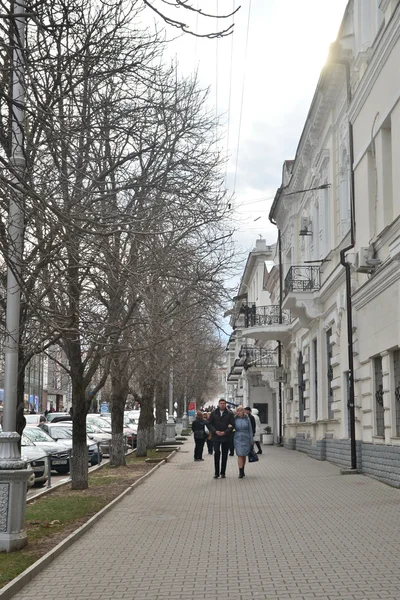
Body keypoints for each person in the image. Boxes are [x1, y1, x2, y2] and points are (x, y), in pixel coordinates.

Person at [207, 398, 235, 479]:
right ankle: (216, 473)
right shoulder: (213, 413)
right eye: (221, 403)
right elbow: (209, 424)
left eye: (223, 403)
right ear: (219, 404)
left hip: (226, 437)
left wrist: (225, 432)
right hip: (216, 437)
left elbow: (232, 425)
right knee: (217, 453)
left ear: (225, 404)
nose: (222, 405)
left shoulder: (229, 413)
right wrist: (215, 431)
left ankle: (223, 472)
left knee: (224, 455)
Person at [234, 405, 253, 478]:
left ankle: (243, 469)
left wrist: (251, 439)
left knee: (244, 455)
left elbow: (250, 430)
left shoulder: (247, 419)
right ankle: (240, 472)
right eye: (237, 411)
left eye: (240, 411)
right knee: (239, 454)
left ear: (243, 411)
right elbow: (231, 427)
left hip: (246, 437)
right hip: (237, 437)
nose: (238, 412)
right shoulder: (235, 419)